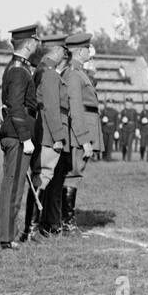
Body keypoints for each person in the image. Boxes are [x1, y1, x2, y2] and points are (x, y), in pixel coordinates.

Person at [23, 31, 69, 241]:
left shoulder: (42, 70)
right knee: (42, 178)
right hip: (49, 134)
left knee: (40, 178)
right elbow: (51, 107)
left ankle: (33, 227)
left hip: (43, 131)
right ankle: (31, 229)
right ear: (58, 51)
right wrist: (59, 136)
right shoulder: (50, 74)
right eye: (64, 51)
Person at [0, 23, 40, 250]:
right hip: (16, 135)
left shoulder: (19, 67)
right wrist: (25, 137)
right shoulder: (18, 69)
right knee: (12, 186)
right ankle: (7, 237)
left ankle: (9, 235)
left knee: (15, 186)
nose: (37, 44)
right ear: (29, 43)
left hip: (16, 133)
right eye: (36, 40)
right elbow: (15, 105)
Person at [62, 32, 98, 232]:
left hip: (81, 131)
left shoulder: (77, 72)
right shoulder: (74, 74)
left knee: (73, 174)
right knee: (72, 175)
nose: (89, 52)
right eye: (87, 49)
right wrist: (84, 139)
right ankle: (67, 222)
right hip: (79, 133)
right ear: (79, 51)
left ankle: (65, 220)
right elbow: (76, 107)